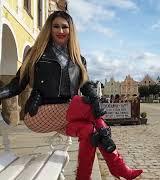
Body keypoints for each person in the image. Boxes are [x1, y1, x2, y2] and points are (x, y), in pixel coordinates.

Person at [0, 11, 142, 180]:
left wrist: (94, 98)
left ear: (71, 30)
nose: (61, 31)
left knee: (89, 131)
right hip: (38, 112)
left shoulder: (78, 59)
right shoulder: (37, 54)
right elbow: (17, 84)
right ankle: (118, 166)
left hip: (67, 117)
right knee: (87, 105)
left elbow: (86, 85)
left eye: (65, 27)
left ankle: (83, 177)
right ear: (49, 29)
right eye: (56, 26)